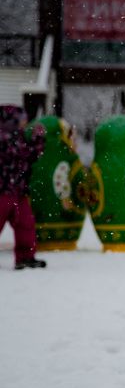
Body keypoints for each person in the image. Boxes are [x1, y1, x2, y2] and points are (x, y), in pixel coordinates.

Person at [0, 105, 47, 269]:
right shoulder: (5, 137)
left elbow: (29, 156)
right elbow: (23, 154)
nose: (25, 123)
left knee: (25, 224)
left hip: (18, 191)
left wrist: (38, 140)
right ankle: (25, 255)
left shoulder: (18, 137)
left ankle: (26, 256)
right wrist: (37, 140)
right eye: (22, 120)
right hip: (3, 191)